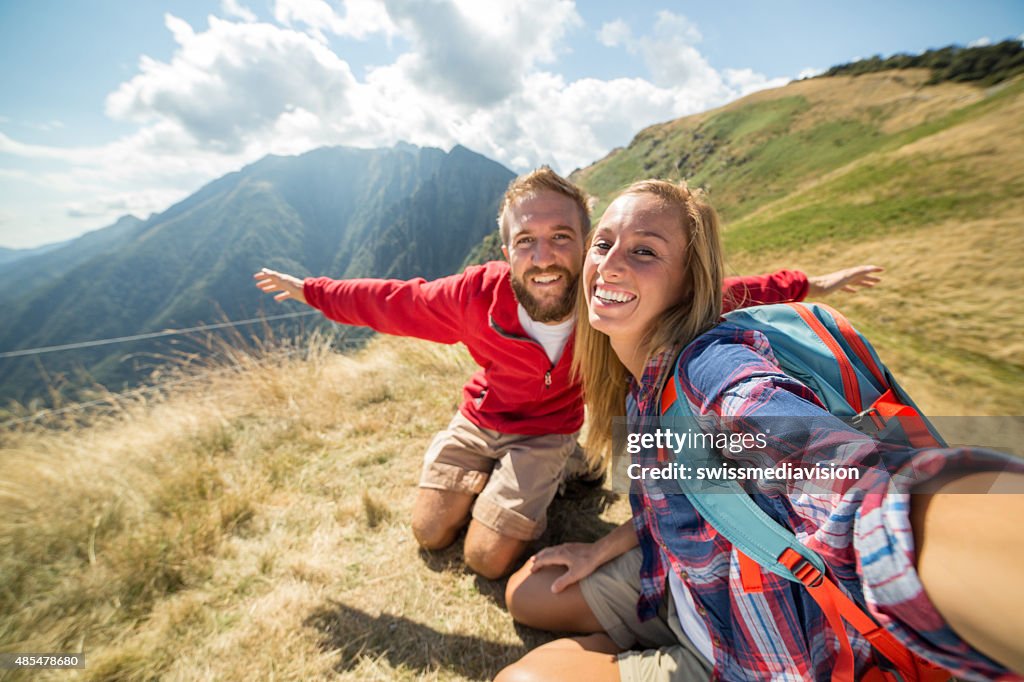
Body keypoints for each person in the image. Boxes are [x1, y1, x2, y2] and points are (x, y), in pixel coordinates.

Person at [499, 180, 1024, 681]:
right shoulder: (640, 382)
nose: (608, 265)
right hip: (682, 583)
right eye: (604, 243)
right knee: (525, 592)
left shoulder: (714, 373)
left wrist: (986, 560)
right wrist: (598, 551)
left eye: (644, 252)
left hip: (750, 650)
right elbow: (669, 499)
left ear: (688, 282)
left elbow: (844, 478)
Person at [254, 167, 884, 580]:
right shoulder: (474, 296)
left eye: (562, 237)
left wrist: (813, 283)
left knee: (487, 560)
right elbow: (390, 300)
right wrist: (310, 290)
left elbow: (721, 290)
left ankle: (554, 475)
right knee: (429, 531)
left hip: (547, 434)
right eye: (525, 240)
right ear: (505, 251)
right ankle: (496, 476)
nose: (544, 255)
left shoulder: (612, 299)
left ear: (585, 243)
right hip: (479, 419)